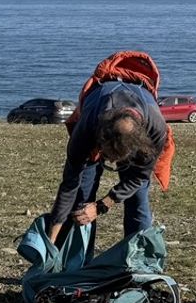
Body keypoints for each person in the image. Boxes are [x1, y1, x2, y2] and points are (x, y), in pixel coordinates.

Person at [46, 79, 170, 252]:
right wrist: (51, 240)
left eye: (116, 158)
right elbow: (69, 184)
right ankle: (74, 261)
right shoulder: (87, 127)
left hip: (139, 133)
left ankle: (136, 262)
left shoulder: (155, 129)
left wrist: (101, 206)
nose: (111, 162)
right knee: (82, 199)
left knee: (138, 199)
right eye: (107, 156)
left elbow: (139, 177)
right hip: (96, 119)